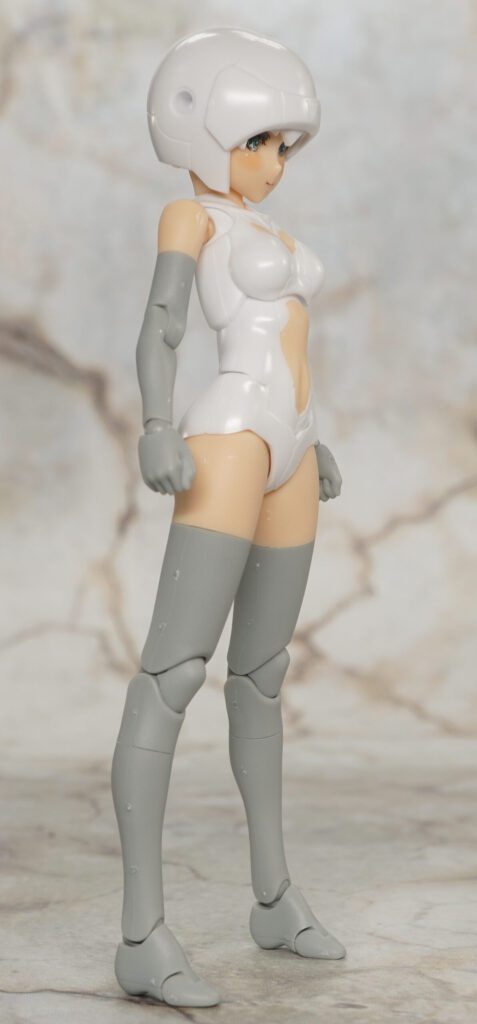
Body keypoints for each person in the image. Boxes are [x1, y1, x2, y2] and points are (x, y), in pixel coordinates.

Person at [111, 26, 344, 1009]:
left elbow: (291, 341)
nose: (274, 162)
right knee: (173, 673)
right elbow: (163, 325)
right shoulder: (191, 216)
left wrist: (315, 438)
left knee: (261, 677)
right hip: (229, 436)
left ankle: (273, 897)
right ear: (204, 132)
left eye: (284, 144)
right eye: (258, 141)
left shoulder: (270, 232)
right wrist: (156, 424)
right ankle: (140, 933)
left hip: (289, 443)